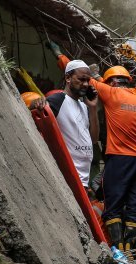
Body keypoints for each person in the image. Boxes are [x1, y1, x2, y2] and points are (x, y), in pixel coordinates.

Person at [48, 43, 136, 253]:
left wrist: (58, 54)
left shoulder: (111, 93)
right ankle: (129, 252)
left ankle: (117, 250)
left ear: (110, 81)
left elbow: (76, 73)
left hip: (119, 159)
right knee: (135, 206)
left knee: (113, 205)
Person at [44, 60, 99, 191]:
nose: (85, 84)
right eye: (81, 79)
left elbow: (94, 139)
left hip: (83, 177)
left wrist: (93, 108)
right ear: (68, 78)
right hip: (67, 174)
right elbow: (38, 111)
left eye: (88, 80)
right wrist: (37, 102)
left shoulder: (84, 106)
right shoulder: (58, 100)